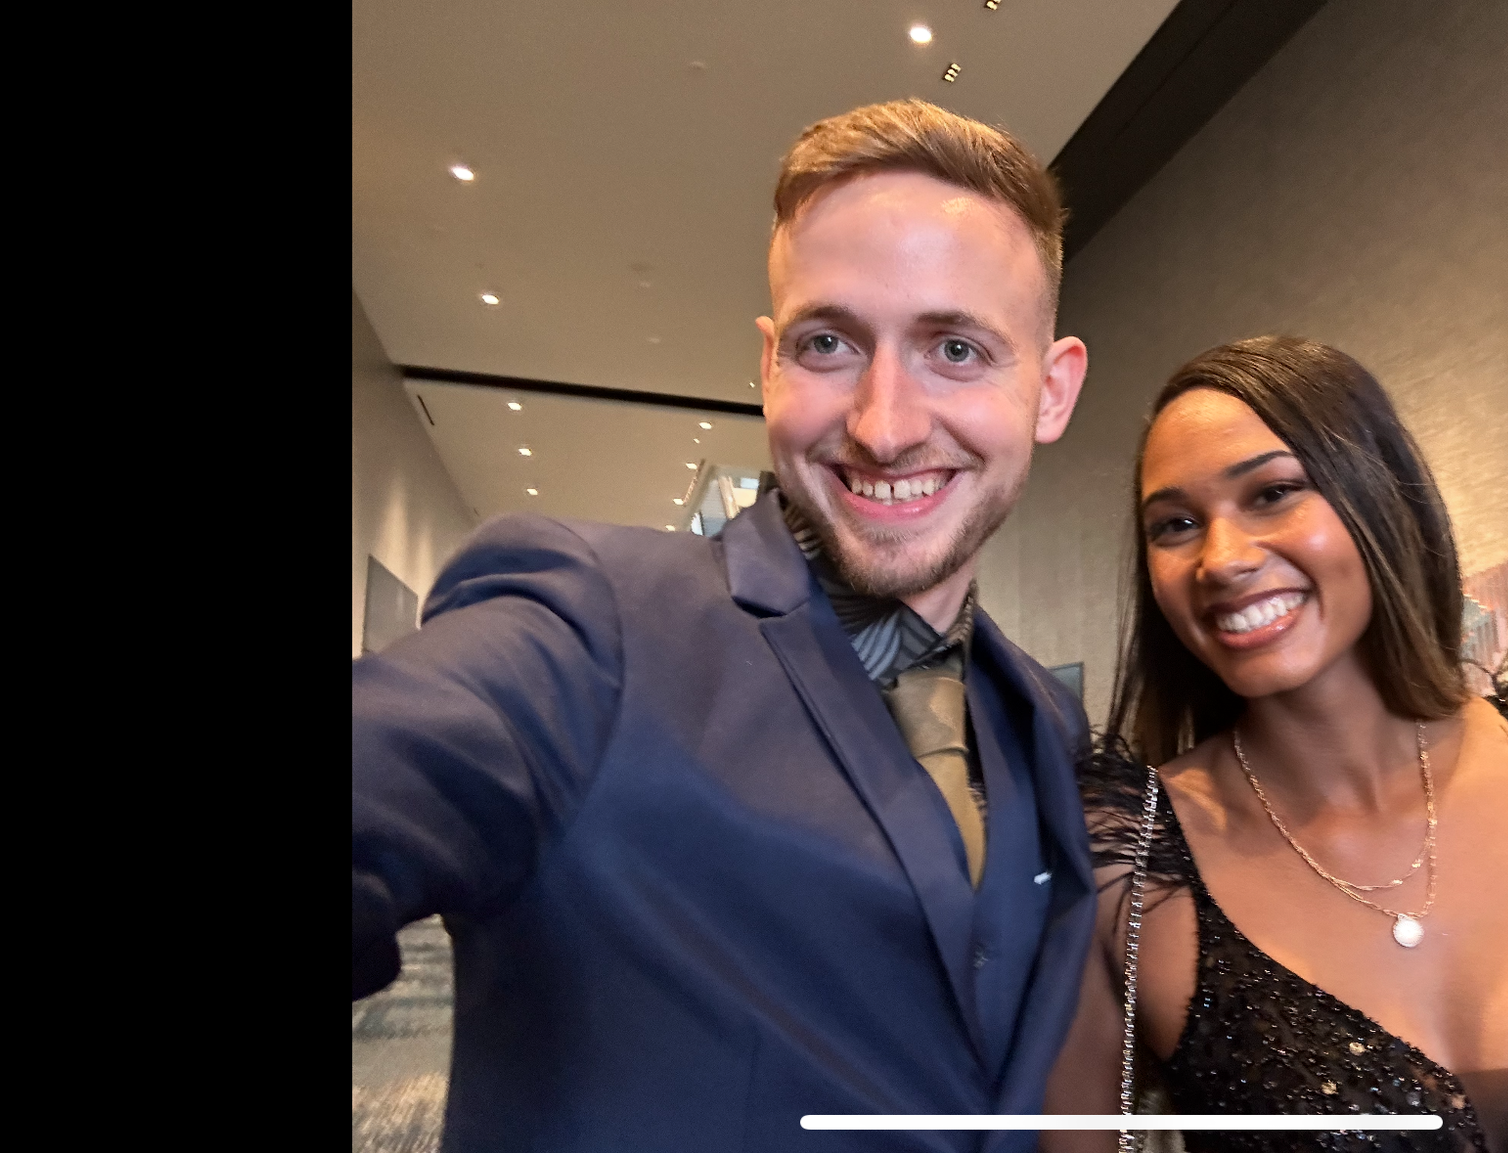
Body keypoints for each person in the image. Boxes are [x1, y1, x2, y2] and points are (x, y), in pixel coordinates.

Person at [352, 99, 1093, 1152]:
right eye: (828, 342)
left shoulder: (1043, 718)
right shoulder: (588, 625)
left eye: (958, 350)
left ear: (1052, 389)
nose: (883, 425)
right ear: (767, 364)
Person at [1042, 337, 1508, 1153]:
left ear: (1377, 495)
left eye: (1273, 492)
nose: (1221, 559)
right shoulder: (1128, 851)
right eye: (1177, 524)